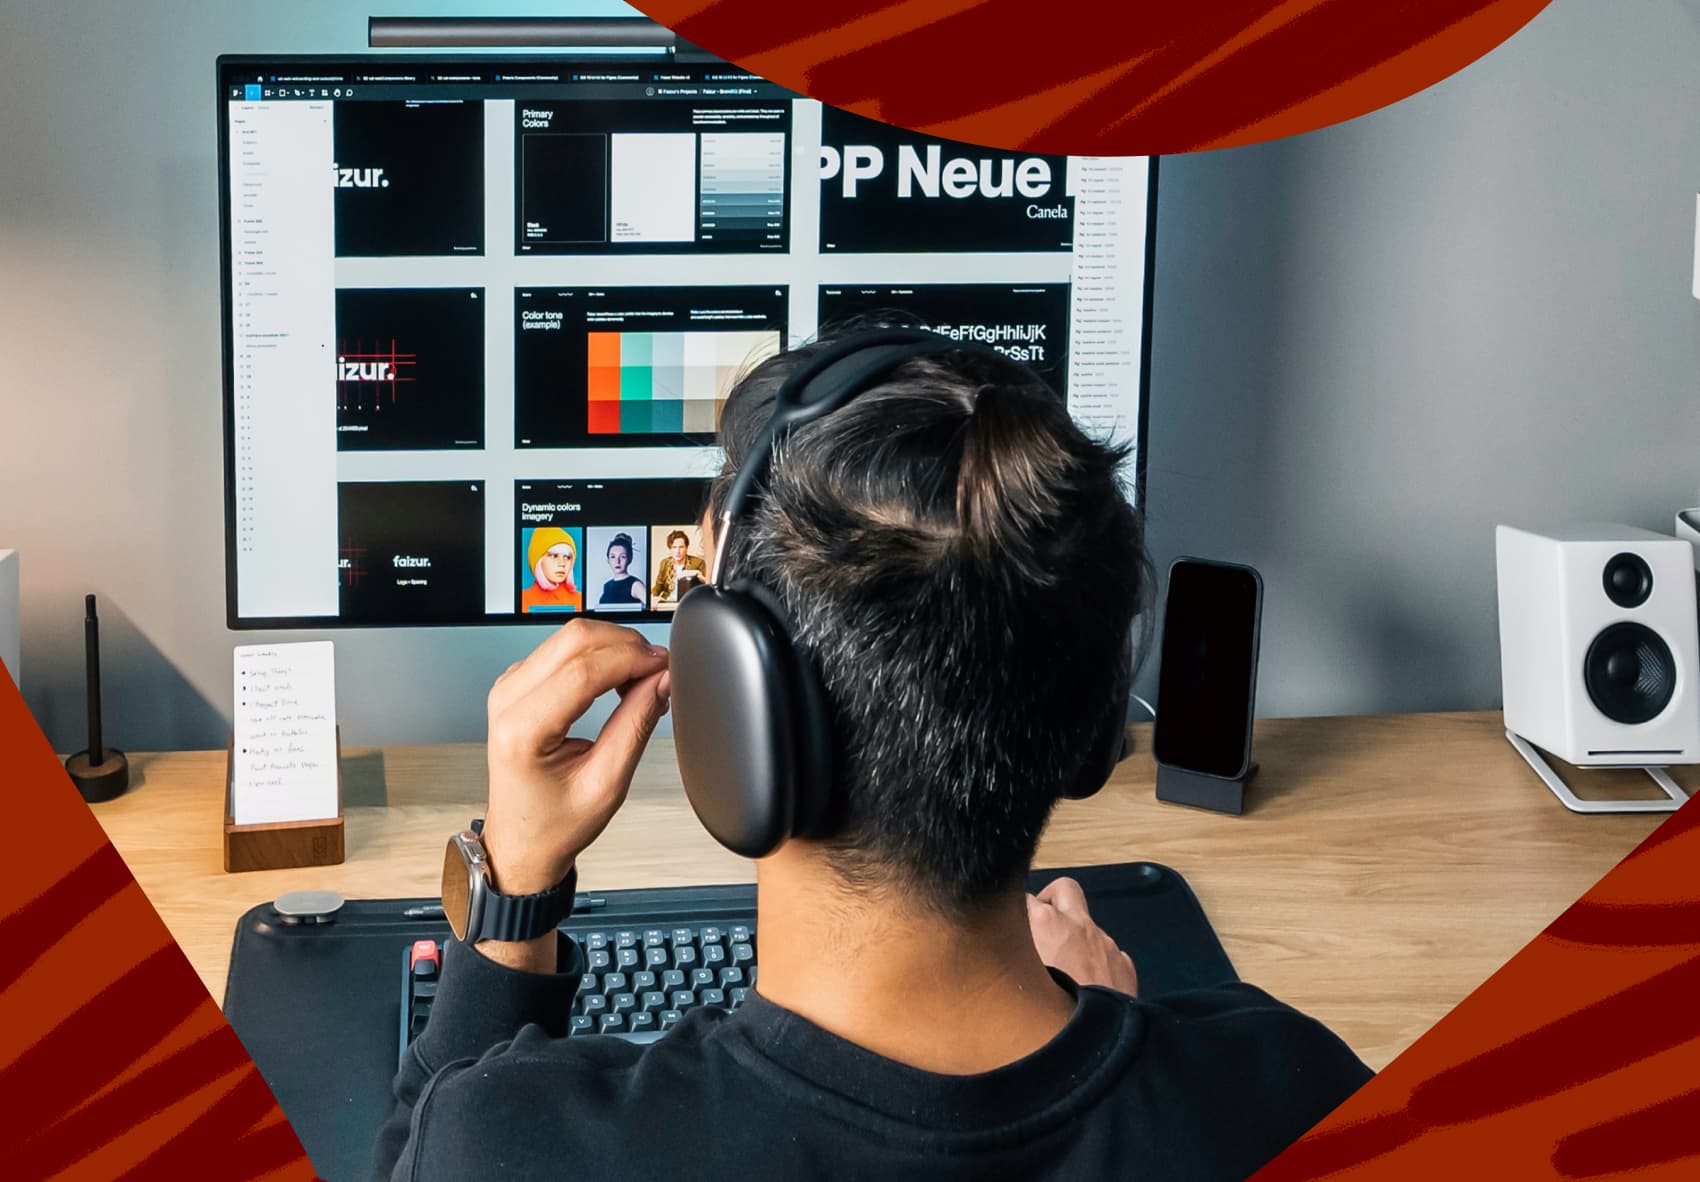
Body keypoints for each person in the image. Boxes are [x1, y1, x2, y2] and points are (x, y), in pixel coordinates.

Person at [371, 335, 1372, 1181]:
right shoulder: (1295, 1091)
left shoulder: (512, 1142)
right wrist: (1116, 1044)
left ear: (732, 709)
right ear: (1098, 715)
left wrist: (513, 888)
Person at [520, 527, 581, 613]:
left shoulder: (580, 599)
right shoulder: (522, 599)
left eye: (567, 557)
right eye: (554, 556)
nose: (562, 563)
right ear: (538, 560)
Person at [650, 528, 706, 607]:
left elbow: (707, 586)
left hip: (688, 604)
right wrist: (653, 599)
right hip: (668, 603)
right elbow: (657, 589)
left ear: (686, 548)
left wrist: (697, 574)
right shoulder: (665, 563)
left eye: (681, 547)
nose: (677, 551)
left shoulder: (698, 562)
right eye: (674, 547)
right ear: (670, 548)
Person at [598, 532, 647, 607]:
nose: (617, 561)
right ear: (608, 560)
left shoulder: (635, 585)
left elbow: (652, 607)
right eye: (613, 557)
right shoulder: (607, 586)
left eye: (622, 557)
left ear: (629, 559)